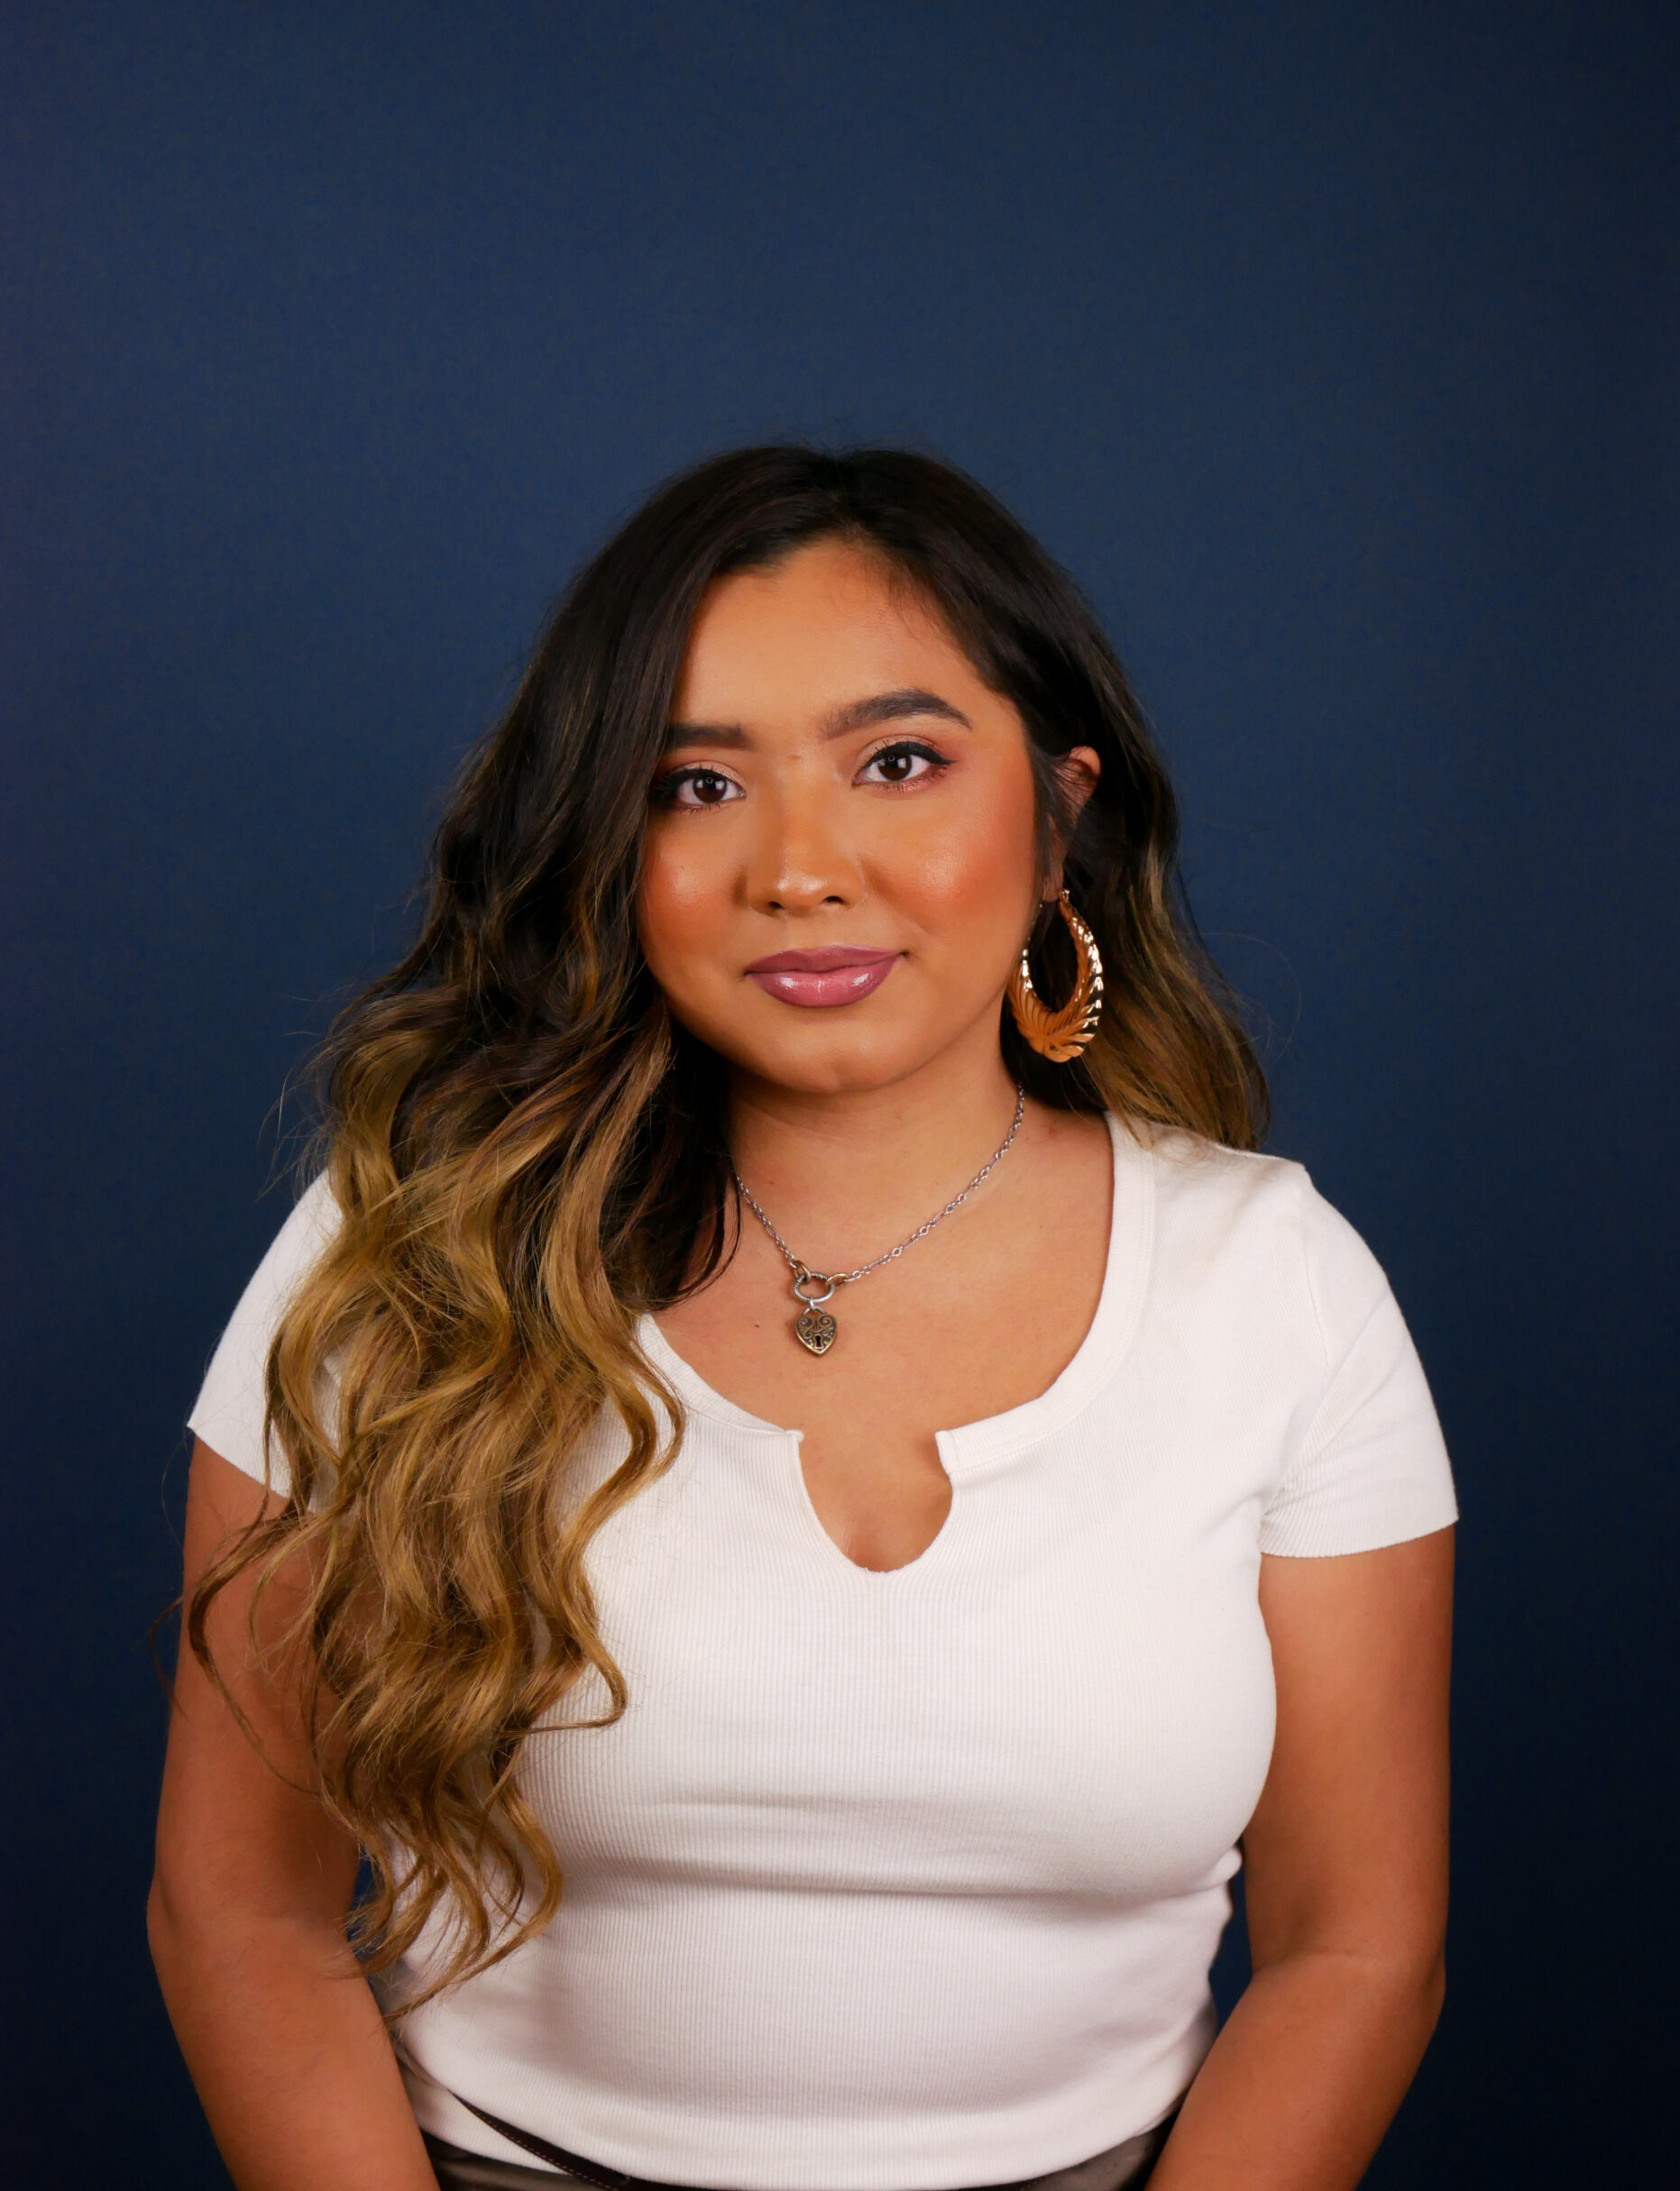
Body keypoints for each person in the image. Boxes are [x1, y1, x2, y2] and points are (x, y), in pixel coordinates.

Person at [150, 446, 1456, 2191]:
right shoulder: (404, 1254)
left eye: (899, 761)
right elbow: (236, 1911)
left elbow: (1355, 1949)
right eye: (694, 785)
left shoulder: (1276, 1283)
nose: (799, 867)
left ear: (1059, 809)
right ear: (606, 842)